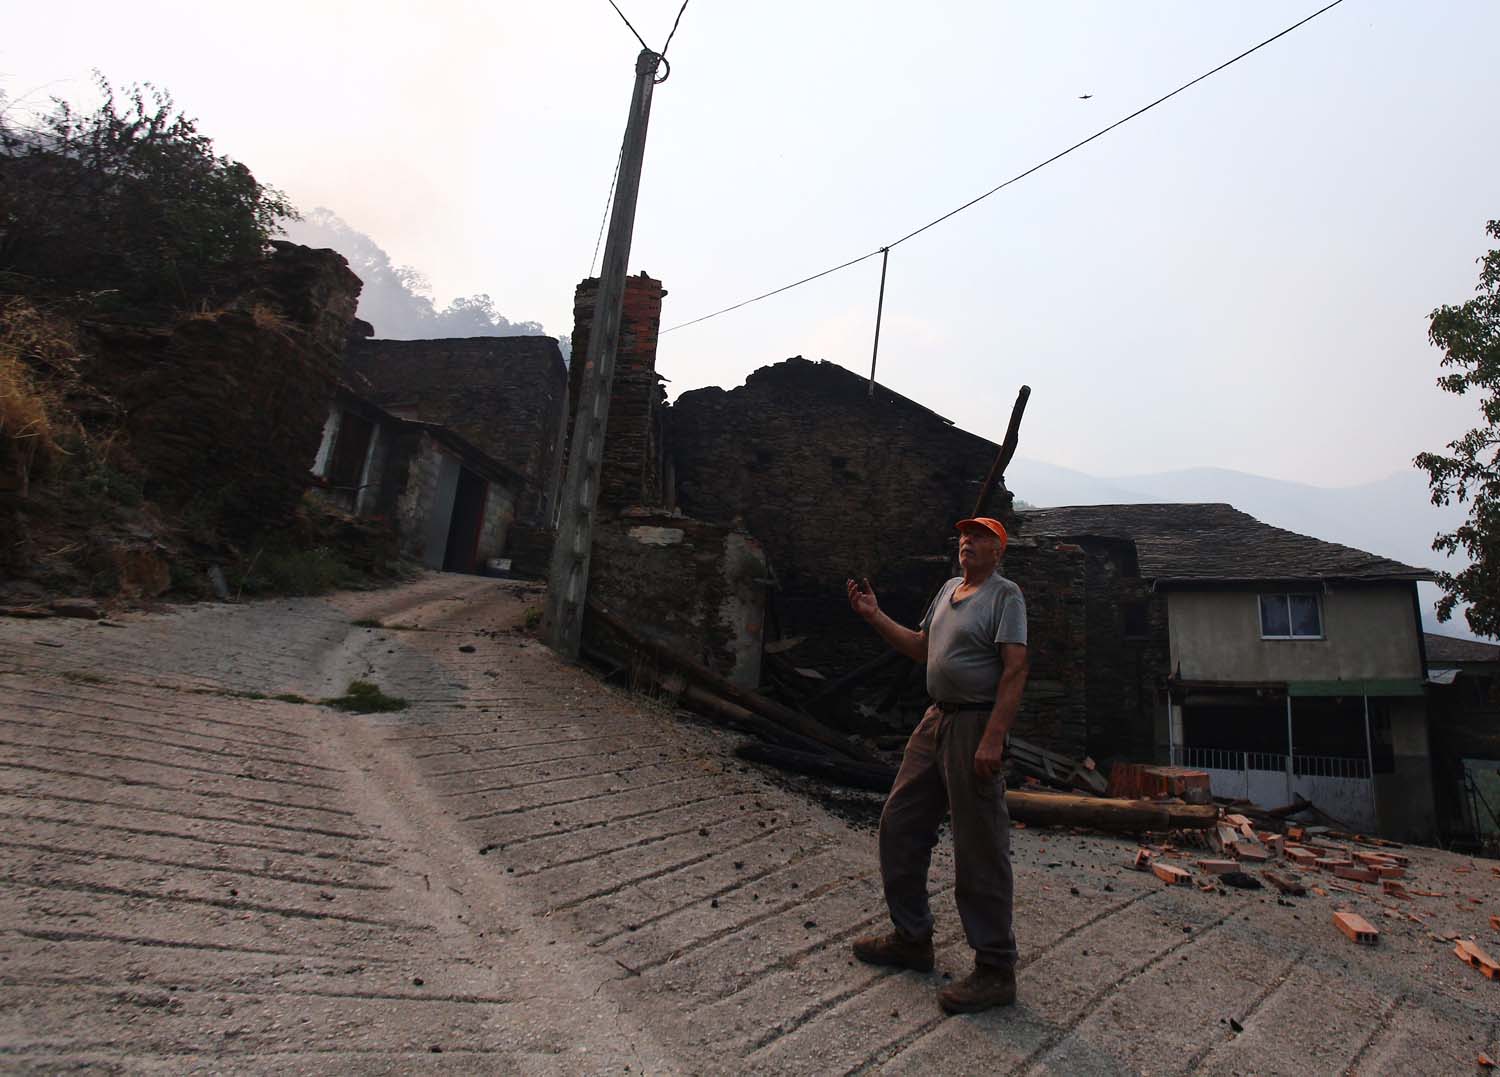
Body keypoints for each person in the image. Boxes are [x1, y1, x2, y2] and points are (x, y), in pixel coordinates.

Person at [845, 516, 1029, 1014]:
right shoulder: (949, 588)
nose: (968, 543)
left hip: (974, 725)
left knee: (979, 847)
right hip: (935, 721)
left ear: (1000, 551)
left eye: (982, 538)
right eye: (965, 537)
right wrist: (873, 615)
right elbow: (921, 648)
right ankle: (911, 939)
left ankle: (994, 969)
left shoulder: (1005, 595)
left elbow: (1015, 669)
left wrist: (993, 738)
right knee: (899, 824)